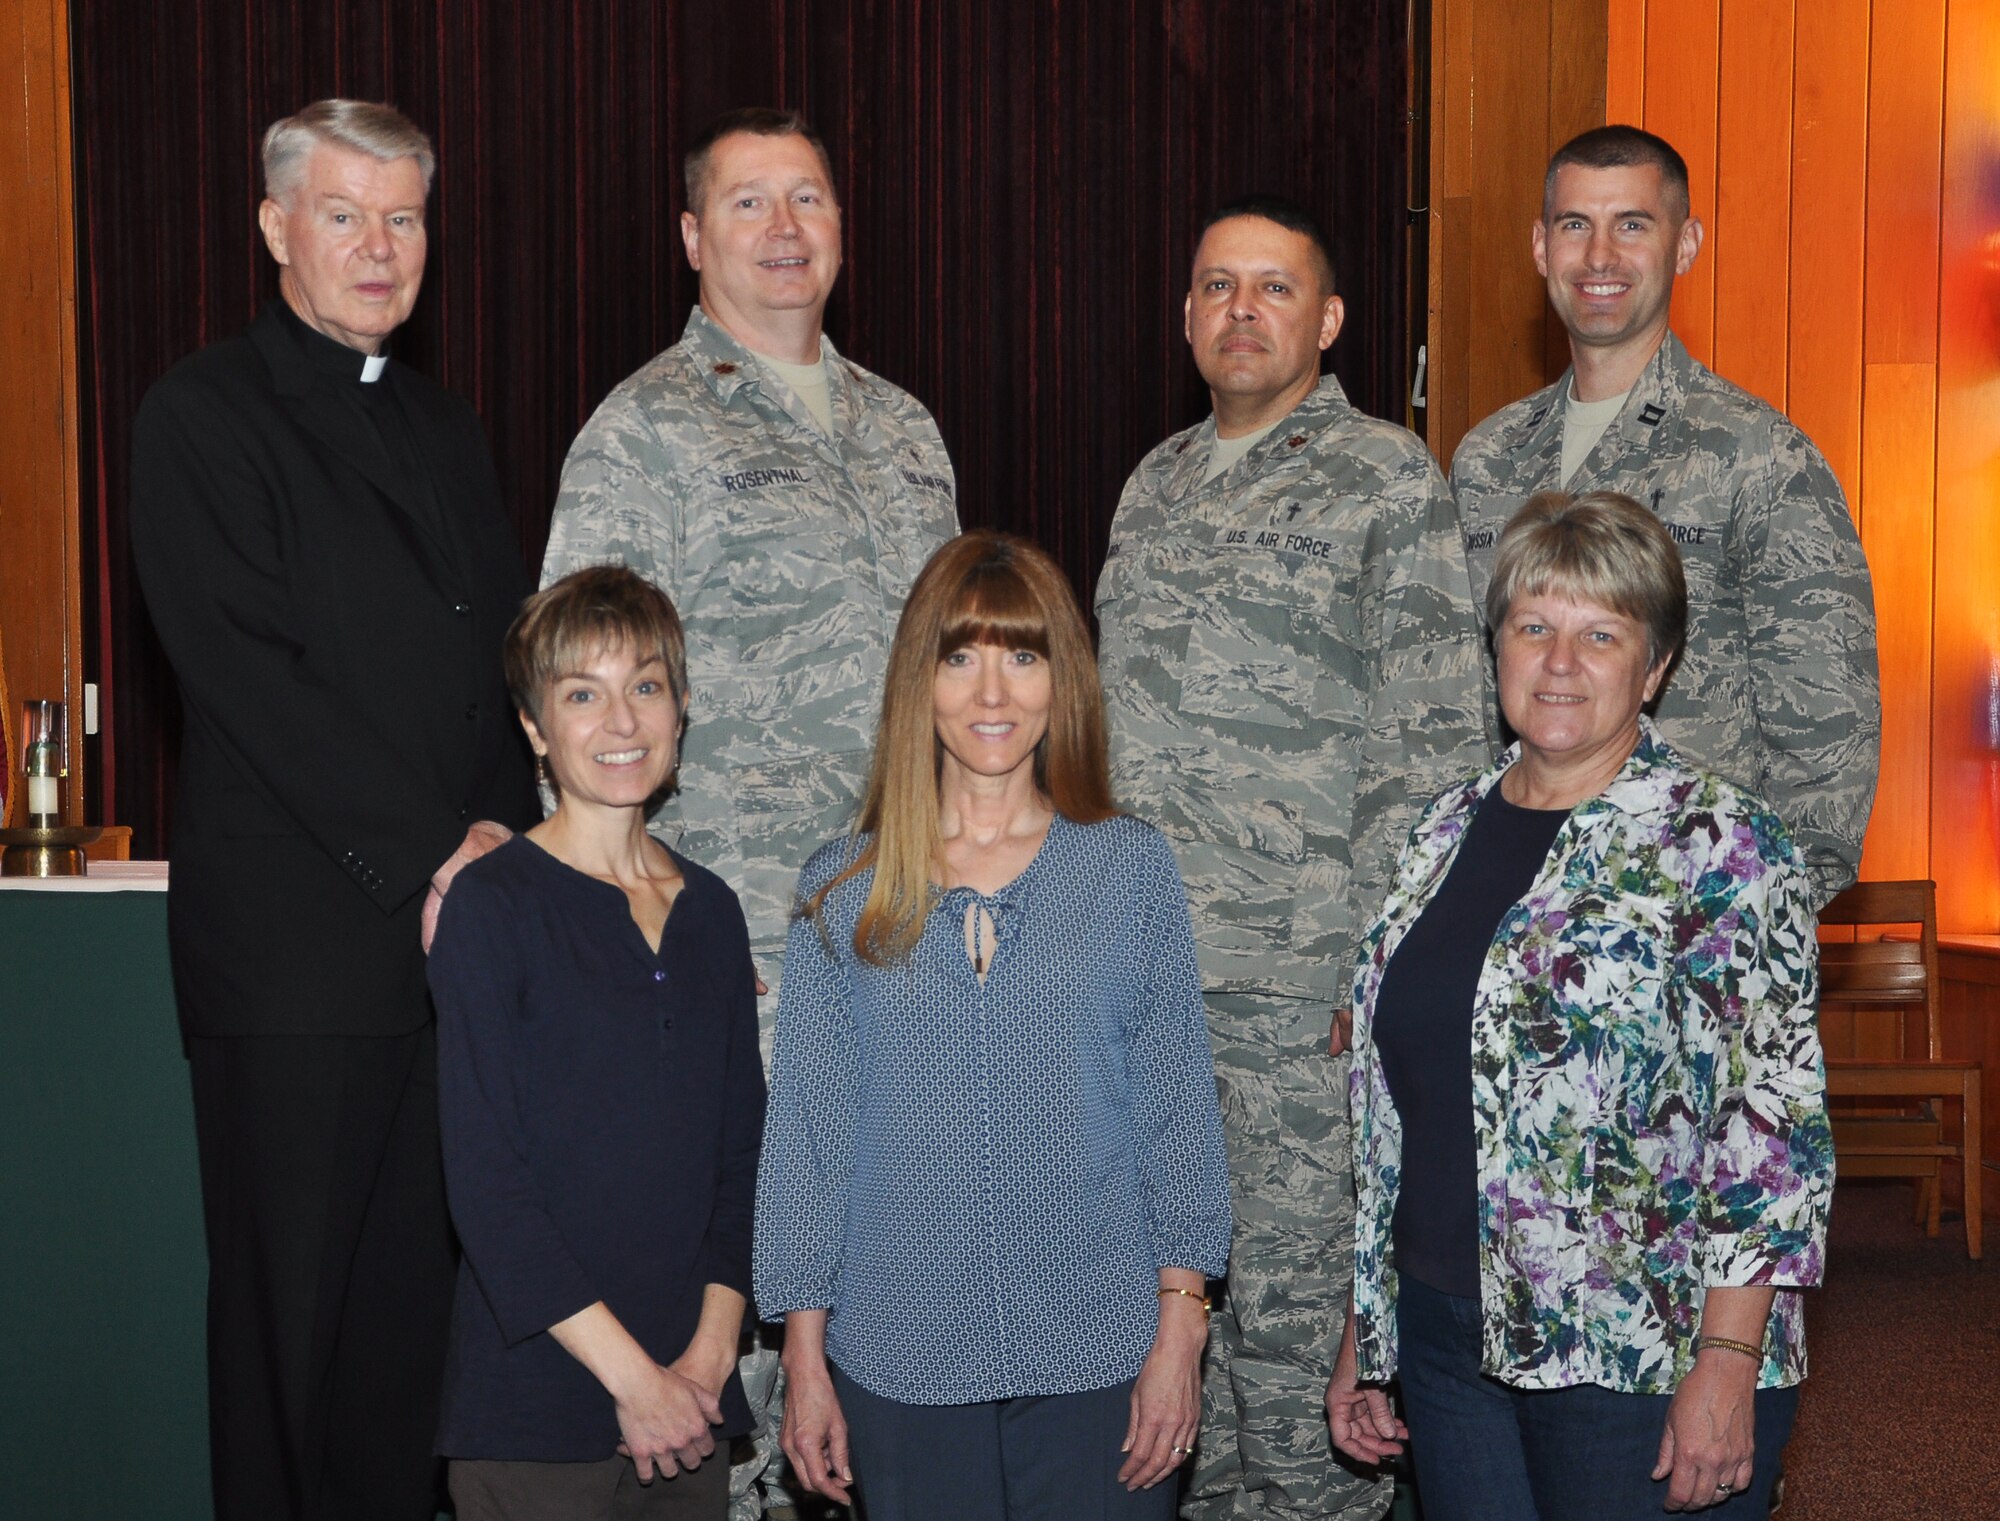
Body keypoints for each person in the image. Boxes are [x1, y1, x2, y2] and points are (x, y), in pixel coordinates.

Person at [541, 113, 958, 1509]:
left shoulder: (907, 431)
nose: (784, 228)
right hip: (732, 965)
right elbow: (582, 698)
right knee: (747, 1347)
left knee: (893, 1321)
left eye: (809, 199)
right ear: (691, 238)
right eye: (746, 203)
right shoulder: (642, 430)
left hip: (903, 949)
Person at [129, 100, 536, 1521]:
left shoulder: (443, 421)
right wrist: (449, 850)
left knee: (405, 1361)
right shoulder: (200, 417)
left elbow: (499, 674)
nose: (380, 247)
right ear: (274, 229)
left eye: (406, 217)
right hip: (299, 971)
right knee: (285, 1356)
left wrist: (504, 850)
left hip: (444, 965)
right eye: (347, 214)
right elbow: (257, 683)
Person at [1094, 196, 1488, 1521]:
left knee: (1296, 1324)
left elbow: (1432, 744)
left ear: (1325, 321)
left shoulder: (1385, 478)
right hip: (1149, 995)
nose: (1242, 310)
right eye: (1218, 286)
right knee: (1162, 1328)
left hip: (1302, 1003)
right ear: (1187, 316)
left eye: (1274, 288)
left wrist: (1374, 971)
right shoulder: (1152, 485)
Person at [1327, 491, 1834, 1520]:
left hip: (1637, 1351)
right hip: (1443, 1337)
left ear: (1652, 669)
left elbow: (1766, 1134)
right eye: (1532, 627)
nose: (1558, 663)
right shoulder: (1441, 829)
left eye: (1599, 635)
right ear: (1496, 647)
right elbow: (1407, 1107)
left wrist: (1726, 1368)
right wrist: (1365, 1334)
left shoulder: (1721, 843)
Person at [755, 531, 1232, 1521]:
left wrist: (1179, 1334)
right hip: (897, 1362)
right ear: (917, 680)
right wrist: (802, 1355)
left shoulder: (1127, 869)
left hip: (1102, 1356)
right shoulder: (840, 886)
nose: (991, 695)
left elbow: (1177, 1116)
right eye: (960, 657)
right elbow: (808, 1140)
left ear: (1062, 680)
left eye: (1022, 656)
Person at [1450, 124, 1878, 908]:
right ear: (1542, 247)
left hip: (1680, 918)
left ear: (1686, 246)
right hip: (1504, 906)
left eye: (1633, 225)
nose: (1601, 256)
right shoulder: (1487, 460)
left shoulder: (1760, 458)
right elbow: (1468, 699)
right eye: (1576, 225)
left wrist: (1741, 924)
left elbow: (1828, 741)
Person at [427, 566, 764, 1521]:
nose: (621, 722)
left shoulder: (715, 912)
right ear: (534, 728)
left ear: (682, 706)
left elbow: (742, 1159)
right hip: (534, 1416)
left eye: (645, 687)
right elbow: (488, 1188)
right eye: (583, 694)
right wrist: (636, 1382)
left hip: (691, 1409)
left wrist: (704, 1360)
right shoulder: (491, 908)